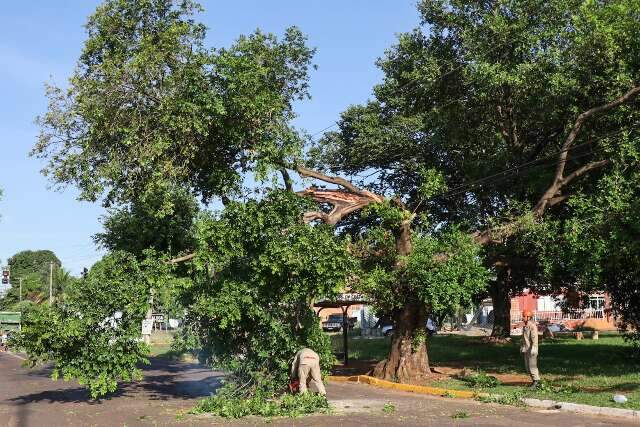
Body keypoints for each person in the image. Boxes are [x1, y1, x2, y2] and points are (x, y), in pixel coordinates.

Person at [521, 310, 540, 388]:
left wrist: (534, 348)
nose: (523, 318)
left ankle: (536, 381)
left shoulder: (532, 326)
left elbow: (534, 338)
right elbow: (524, 338)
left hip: (532, 349)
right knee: (527, 367)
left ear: (528, 317)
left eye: (524, 316)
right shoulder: (525, 326)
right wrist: (522, 347)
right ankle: (534, 381)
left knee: (532, 366)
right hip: (526, 349)